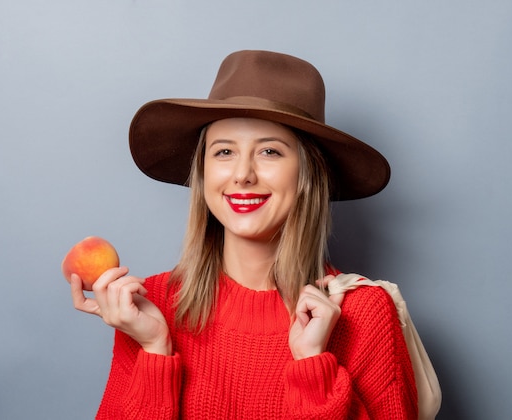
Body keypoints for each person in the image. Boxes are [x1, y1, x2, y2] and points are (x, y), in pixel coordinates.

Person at [71, 50, 418, 419]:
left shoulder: (364, 312)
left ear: (307, 175)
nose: (243, 175)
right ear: (203, 175)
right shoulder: (148, 307)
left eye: (270, 151)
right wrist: (155, 349)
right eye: (224, 152)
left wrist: (313, 368)